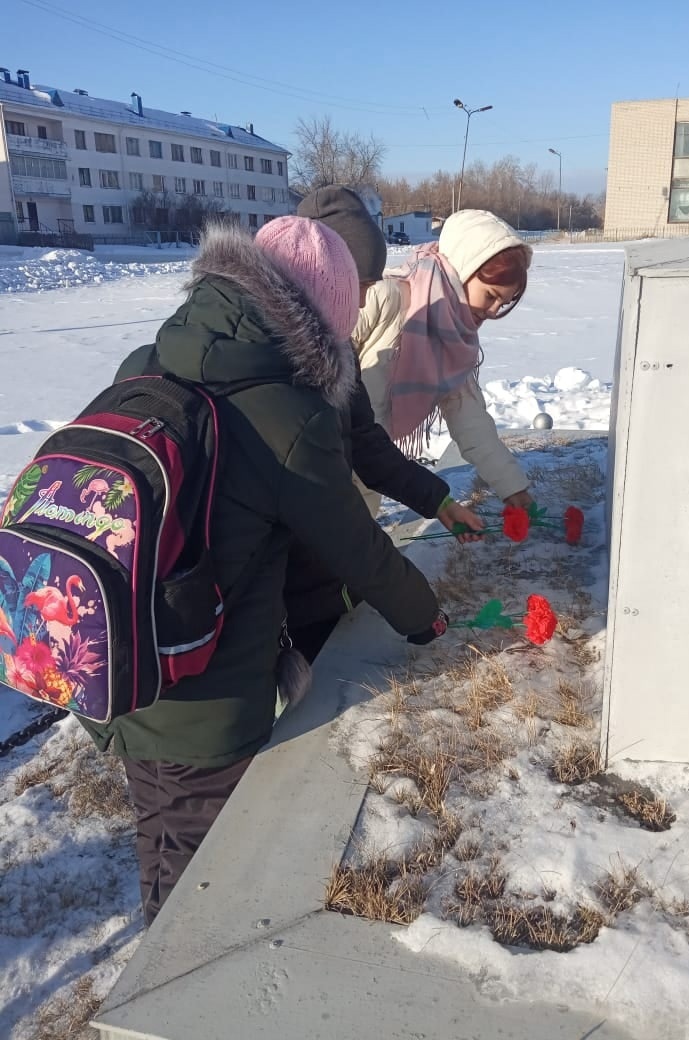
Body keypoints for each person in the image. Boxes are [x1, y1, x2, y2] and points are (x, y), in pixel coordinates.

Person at [79, 217, 448, 926]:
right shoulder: (288, 415)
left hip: (118, 659)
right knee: (203, 881)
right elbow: (359, 550)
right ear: (323, 319)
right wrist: (425, 617)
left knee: (160, 822)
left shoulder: (146, 361)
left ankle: (156, 955)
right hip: (204, 694)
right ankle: (173, 997)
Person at [285, 186, 484, 663]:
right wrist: (415, 609)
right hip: (271, 597)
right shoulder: (276, 373)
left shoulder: (334, 350)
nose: (358, 309)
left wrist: (437, 500)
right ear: (322, 277)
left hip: (309, 578)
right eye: (358, 290)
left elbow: (365, 442)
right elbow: (337, 517)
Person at [353, 209, 535, 517]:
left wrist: (512, 486)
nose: (493, 311)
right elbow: (320, 356)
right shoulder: (385, 297)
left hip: (372, 471)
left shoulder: (457, 345)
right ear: (464, 269)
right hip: (325, 458)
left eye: (502, 304)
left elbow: (471, 422)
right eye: (490, 296)